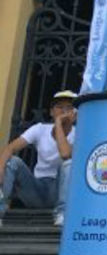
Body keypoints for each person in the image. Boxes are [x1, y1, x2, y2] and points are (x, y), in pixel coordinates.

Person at [0, 90, 77, 227]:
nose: (64, 111)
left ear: (75, 114)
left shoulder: (80, 132)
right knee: (12, 161)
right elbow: (9, 149)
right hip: (36, 190)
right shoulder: (40, 129)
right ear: (52, 112)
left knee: (68, 164)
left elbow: (65, 154)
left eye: (69, 107)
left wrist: (58, 124)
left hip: (59, 191)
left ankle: (62, 213)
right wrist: (0, 170)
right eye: (59, 107)